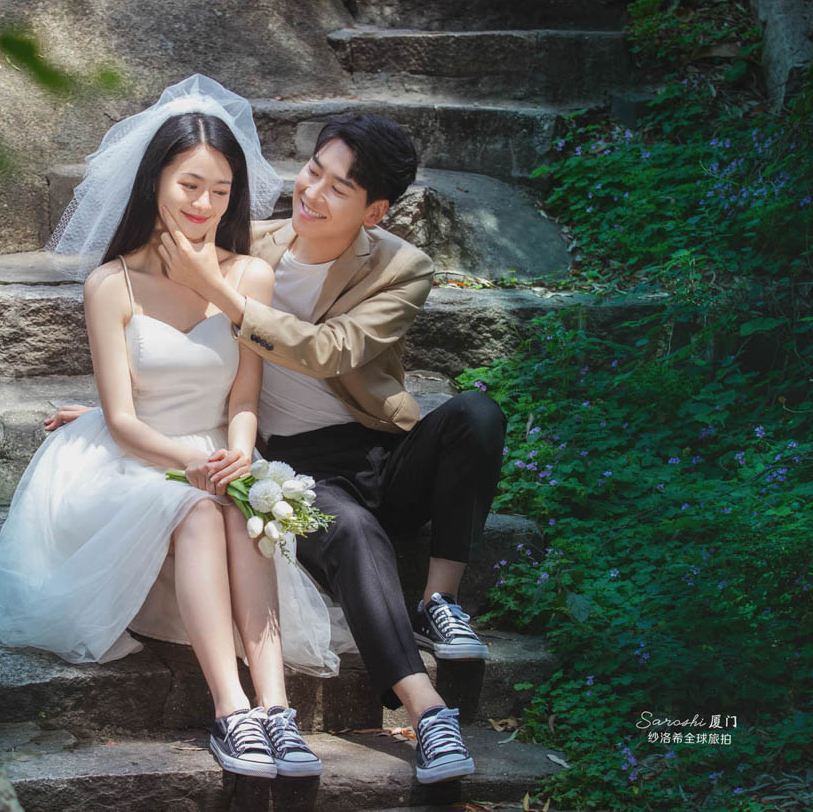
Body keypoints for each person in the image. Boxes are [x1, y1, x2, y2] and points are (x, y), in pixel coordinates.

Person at [48, 113, 508, 785]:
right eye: (313, 171)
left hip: (381, 450)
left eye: (338, 188)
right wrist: (107, 417)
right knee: (351, 531)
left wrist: (216, 290)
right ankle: (428, 712)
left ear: (375, 211)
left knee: (478, 412)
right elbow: (185, 356)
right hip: (298, 461)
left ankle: (440, 599)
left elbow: (330, 350)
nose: (313, 193)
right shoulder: (255, 243)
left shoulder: (401, 266)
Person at [0, 75, 353, 780]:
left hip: (216, 449)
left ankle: (278, 710)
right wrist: (192, 464)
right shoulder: (110, 284)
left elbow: (245, 396)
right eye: (190, 185)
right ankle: (232, 711)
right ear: (155, 181)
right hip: (132, 462)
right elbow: (121, 420)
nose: (203, 204)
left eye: (220, 191)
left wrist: (238, 456)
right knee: (199, 511)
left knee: (245, 510)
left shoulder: (250, 277)